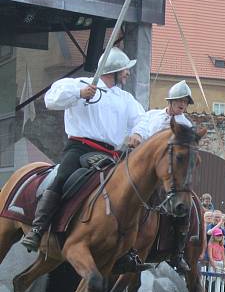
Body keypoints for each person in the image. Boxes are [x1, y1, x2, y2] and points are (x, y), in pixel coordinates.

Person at [20, 48, 145, 269]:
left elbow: (142, 120)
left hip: (112, 155)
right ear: (114, 71)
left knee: (131, 191)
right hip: (80, 148)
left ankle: (126, 247)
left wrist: (138, 133)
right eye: (125, 70)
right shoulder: (79, 84)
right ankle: (39, 229)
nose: (127, 74)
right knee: (62, 178)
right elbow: (51, 99)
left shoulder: (126, 98)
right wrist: (79, 94)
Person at [128, 79, 195, 272]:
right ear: (171, 101)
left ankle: (177, 253)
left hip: (166, 173)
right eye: (180, 100)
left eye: (186, 102)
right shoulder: (151, 115)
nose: (183, 104)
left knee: (184, 207)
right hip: (142, 167)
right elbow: (140, 128)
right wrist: (137, 136)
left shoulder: (185, 125)